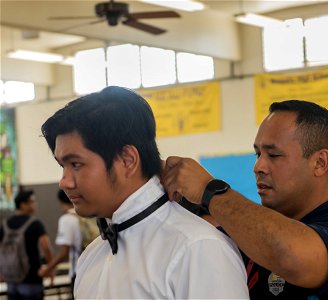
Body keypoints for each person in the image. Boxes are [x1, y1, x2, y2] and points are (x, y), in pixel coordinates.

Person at [40, 86, 250, 299]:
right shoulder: (91, 257)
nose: (64, 182)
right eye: (62, 166)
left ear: (127, 160)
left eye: (75, 164)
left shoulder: (198, 248)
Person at [162, 100, 328, 299]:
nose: (258, 167)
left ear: (319, 162)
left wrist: (210, 191)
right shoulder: (242, 237)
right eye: (257, 154)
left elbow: (288, 254)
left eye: (273, 155)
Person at [0, 189, 54, 300]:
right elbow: (46, 247)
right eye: (32, 201)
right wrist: (50, 269)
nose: (35, 204)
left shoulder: (5, 224)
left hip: (11, 280)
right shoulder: (35, 223)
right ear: (23, 204)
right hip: (32, 280)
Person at [38, 189, 82, 298]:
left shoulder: (67, 219)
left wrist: (47, 270)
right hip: (95, 267)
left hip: (78, 271)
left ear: (61, 201)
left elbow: (64, 253)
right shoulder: (88, 215)